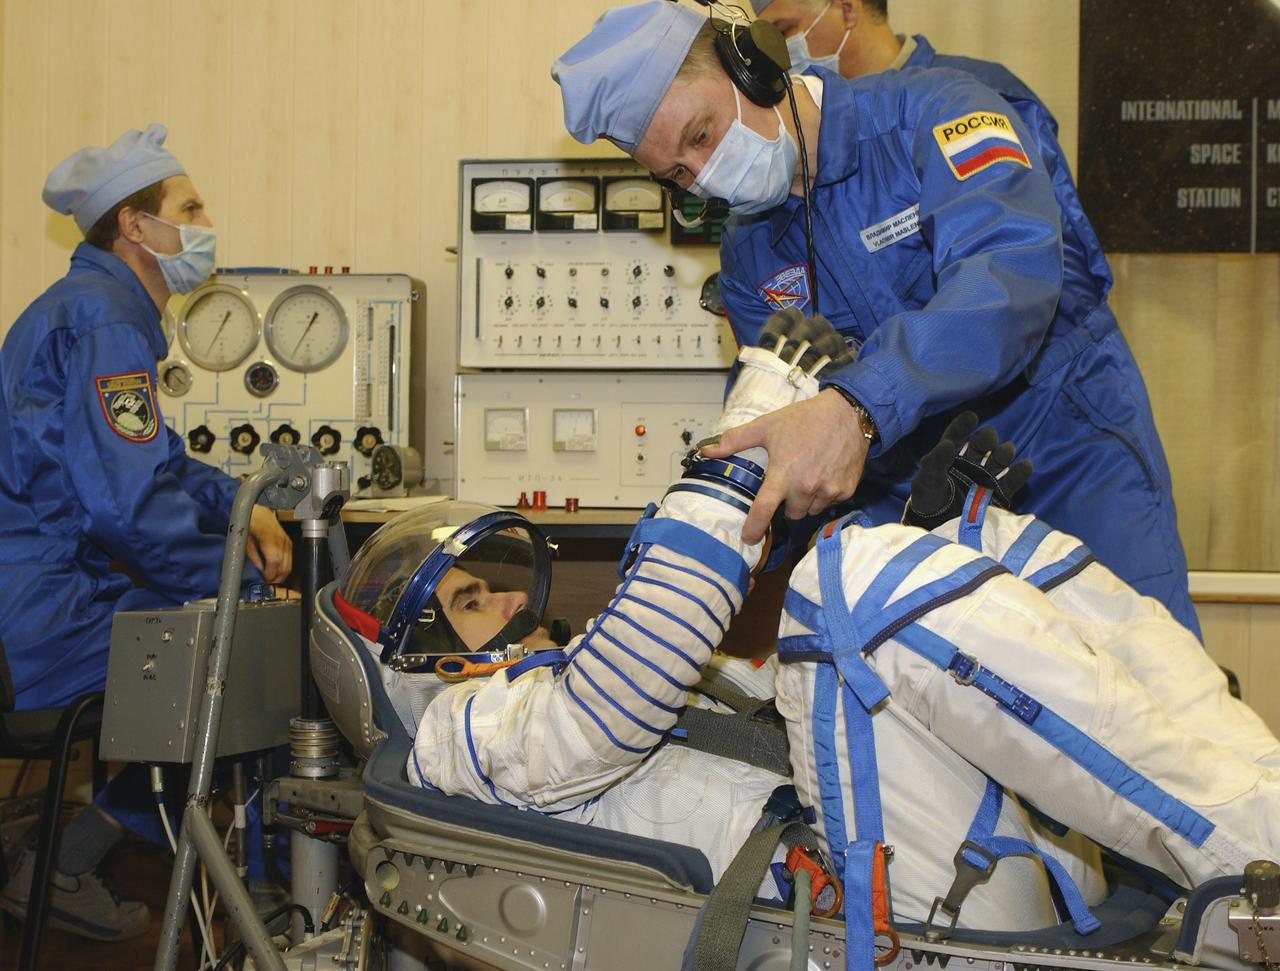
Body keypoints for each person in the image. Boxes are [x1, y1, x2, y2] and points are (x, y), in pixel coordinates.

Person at [323, 308, 1280, 961]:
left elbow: (789, 690)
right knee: (845, 583)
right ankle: (1251, 876)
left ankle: (1261, 838)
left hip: (949, 863)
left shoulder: (554, 691)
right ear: (413, 664)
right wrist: (751, 434)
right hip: (876, 923)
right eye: (468, 601)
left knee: (1000, 553)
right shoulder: (463, 733)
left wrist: (946, 532)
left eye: (493, 584)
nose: (505, 601)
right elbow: (622, 693)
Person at [550, 2, 1202, 640]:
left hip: (1070, 460)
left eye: (701, 134)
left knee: (1153, 701)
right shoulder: (750, 254)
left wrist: (857, 406)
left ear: (753, 67)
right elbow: (781, 421)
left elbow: (1009, 276)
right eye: (679, 172)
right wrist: (727, 529)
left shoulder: (939, 111)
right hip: (920, 503)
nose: (706, 175)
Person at [0, 124, 292, 941]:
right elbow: (126, 510)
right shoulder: (104, 322)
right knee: (256, 657)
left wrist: (244, 505)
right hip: (44, 614)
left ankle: (62, 858)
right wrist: (237, 580)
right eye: (189, 208)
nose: (203, 225)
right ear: (135, 226)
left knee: (238, 644)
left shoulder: (90, 310)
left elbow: (152, 465)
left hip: (46, 590)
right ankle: (77, 863)